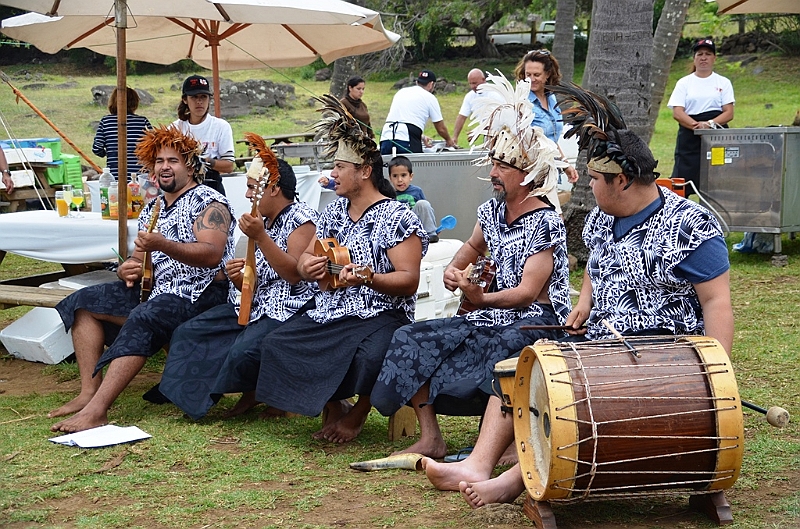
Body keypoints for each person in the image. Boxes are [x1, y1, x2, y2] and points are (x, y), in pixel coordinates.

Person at [422, 83, 734, 509]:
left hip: (659, 353)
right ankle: (478, 463)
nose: (586, 184)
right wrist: (585, 301)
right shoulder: (602, 221)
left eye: (593, 179)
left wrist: (717, 380)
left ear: (621, 180)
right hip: (598, 340)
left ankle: (514, 479)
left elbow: (717, 302)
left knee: (571, 395)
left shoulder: (691, 225)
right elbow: (596, 269)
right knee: (522, 367)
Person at [371, 71, 573, 459]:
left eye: (503, 167)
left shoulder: (545, 220)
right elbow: (466, 253)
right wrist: (453, 274)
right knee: (411, 337)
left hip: (537, 318)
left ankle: (506, 443)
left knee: (502, 346)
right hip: (490, 310)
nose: (493, 173)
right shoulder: (491, 212)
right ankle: (431, 436)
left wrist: (481, 297)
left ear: (527, 175)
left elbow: (529, 292)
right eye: (493, 163)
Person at [252, 95, 427, 443]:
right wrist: (310, 266)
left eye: (339, 168)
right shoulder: (333, 211)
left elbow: (409, 281)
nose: (332, 174)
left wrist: (370, 277)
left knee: (370, 355)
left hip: (381, 312)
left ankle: (358, 413)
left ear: (364, 171)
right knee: (276, 342)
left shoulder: (397, 216)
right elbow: (304, 260)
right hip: (331, 310)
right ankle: (334, 406)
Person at [49, 125, 236, 434]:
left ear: (190, 165)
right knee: (82, 302)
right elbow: (140, 256)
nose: (165, 167)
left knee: (144, 316)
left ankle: (97, 411)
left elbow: (211, 253)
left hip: (201, 293)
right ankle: (88, 392)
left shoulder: (209, 202)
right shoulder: (155, 205)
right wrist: (128, 267)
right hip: (159, 289)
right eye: (159, 161)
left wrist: (163, 244)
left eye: (173, 160)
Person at [158, 140, 318, 420]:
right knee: (190, 331)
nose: (246, 194)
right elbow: (257, 277)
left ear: (273, 189)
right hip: (254, 305)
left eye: (252, 187)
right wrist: (239, 277)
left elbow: (293, 273)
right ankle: (189, 397)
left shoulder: (302, 219)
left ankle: (261, 393)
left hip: (289, 310)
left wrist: (261, 237)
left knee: (243, 352)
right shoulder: (264, 220)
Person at [514, 50, 579, 215]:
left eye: (537, 74)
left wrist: (565, 165)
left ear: (548, 74)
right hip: (529, 175)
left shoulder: (551, 98)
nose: (531, 79)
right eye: (527, 74)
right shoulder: (522, 102)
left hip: (550, 171)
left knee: (552, 221)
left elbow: (550, 139)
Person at [667, 38, 735, 194]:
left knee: (717, 180)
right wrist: (696, 127)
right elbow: (677, 112)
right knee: (683, 182)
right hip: (689, 136)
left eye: (708, 54)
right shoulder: (684, 83)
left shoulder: (723, 82)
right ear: (694, 58)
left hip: (716, 136)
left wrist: (709, 124)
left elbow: (729, 112)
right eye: (700, 54)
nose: (703, 57)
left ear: (714, 58)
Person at [172, 75, 236, 196]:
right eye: (194, 97)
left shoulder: (221, 126)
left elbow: (229, 166)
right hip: (182, 188)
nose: (199, 101)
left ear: (209, 99)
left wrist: (205, 161)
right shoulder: (175, 128)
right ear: (185, 100)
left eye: (203, 97)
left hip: (212, 188)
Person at [379, 70, 456, 155]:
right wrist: (449, 140)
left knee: (386, 167)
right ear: (431, 84)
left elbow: (402, 119)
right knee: (414, 166)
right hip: (407, 139)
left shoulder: (401, 92)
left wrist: (421, 137)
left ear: (417, 82)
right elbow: (440, 128)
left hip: (386, 135)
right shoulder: (430, 97)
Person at [92, 87, 152, 179]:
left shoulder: (106, 121)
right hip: (140, 176)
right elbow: (154, 146)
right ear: (135, 103)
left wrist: (109, 153)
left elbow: (97, 148)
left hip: (114, 176)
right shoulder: (142, 121)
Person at [388, 155, 439, 242]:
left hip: (415, 223)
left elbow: (426, 211)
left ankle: (430, 233)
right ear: (390, 178)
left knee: (423, 204)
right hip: (399, 226)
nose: (399, 180)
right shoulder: (389, 194)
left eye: (403, 175)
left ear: (411, 176)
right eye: (395, 176)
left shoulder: (416, 191)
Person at [451, 68, 486, 145]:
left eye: (475, 83)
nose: (472, 86)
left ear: (483, 80)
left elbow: (498, 120)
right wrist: (455, 137)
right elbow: (461, 117)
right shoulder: (470, 96)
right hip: (487, 134)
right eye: (470, 83)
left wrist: (479, 130)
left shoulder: (495, 94)